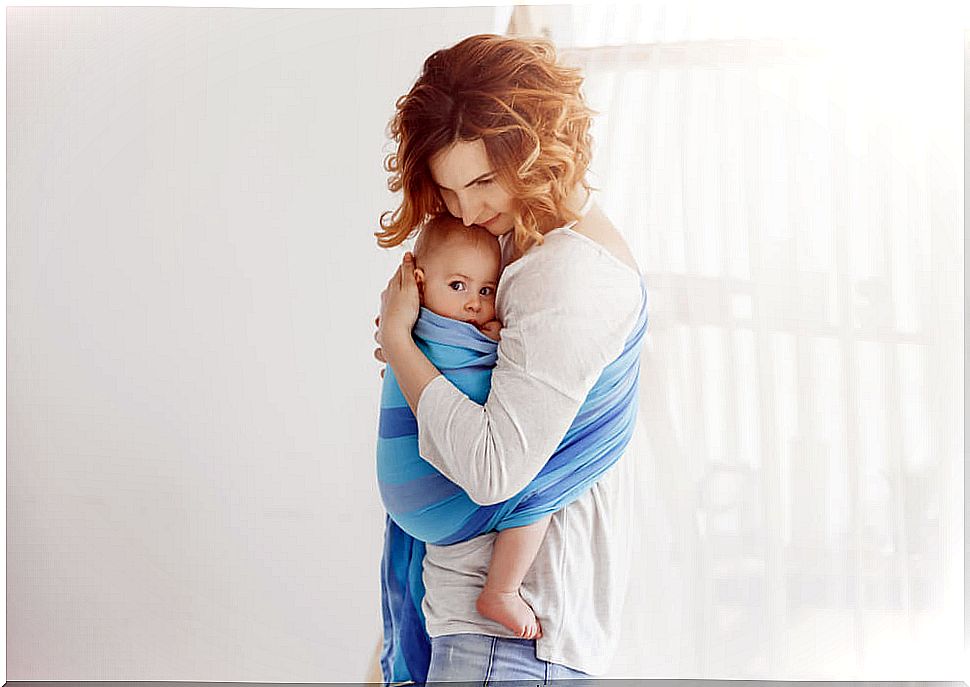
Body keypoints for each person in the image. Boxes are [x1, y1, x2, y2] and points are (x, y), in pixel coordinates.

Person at [374, 33, 647, 683]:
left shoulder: (564, 275)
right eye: (449, 190)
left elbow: (494, 468)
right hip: (501, 633)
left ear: (537, 147)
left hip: (509, 637)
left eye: (483, 180)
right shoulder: (532, 252)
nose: (467, 210)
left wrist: (401, 343)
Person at [398, 212, 552, 641]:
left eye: (486, 290)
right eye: (458, 286)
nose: (473, 302)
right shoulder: (437, 332)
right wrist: (498, 342)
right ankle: (501, 590)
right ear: (419, 282)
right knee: (542, 495)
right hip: (442, 501)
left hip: (411, 501)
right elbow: (490, 391)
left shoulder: (409, 334)